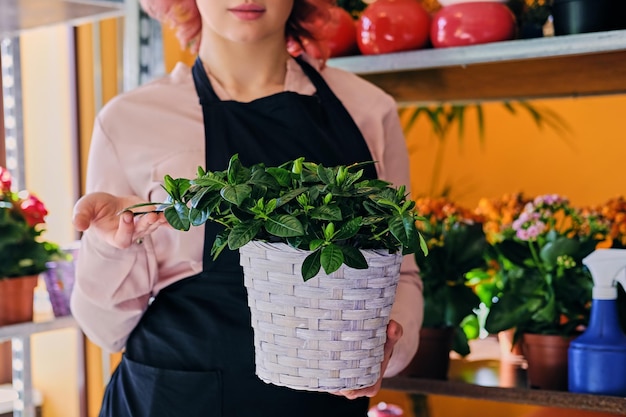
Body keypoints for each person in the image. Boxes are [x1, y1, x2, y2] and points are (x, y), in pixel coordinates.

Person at [70, 0, 423, 416]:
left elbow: (400, 271)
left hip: (319, 404)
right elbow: (105, 331)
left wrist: (384, 351)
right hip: (173, 397)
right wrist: (112, 249)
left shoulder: (367, 109)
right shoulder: (131, 121)